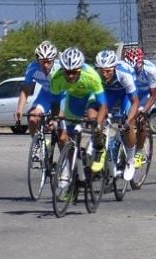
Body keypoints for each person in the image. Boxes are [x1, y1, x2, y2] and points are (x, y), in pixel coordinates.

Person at [49, 47, 108, 190]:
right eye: (67, 72)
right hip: (73, 100)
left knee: (94, 119)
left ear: (80, 69)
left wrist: (98, 124)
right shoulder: (57, 78)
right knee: (65, 138)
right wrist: (55, 120)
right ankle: (70, 170)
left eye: (74, 72)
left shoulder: (91, 76)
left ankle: (99, 147)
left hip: (90, 98)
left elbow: (103, 105)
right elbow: (55, 103)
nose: (70, 76)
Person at [93, 49, 140, 180]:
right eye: (101, 71)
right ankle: (100, 149)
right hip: (109, 93)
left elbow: (135, 102)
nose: (104, 74)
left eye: (108, 71)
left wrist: (128, 120)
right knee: (98, 121)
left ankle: (130, 159)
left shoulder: (123, 74)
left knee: (128, 125)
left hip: (125, 94)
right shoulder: (95, 75)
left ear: (114, 68)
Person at [123, 47, 156, 169]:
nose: (134, 71)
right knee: (126, 119)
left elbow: (153, 95)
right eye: (131, 69)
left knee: (140, 120)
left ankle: (139, 151)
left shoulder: (150, 70)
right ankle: (126, 144)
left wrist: (143, 111)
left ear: (141, 62)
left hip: (147, 95)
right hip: (132, 94)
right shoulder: (124, 69)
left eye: (136, 68)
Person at [14, 41, 61, 136]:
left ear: (53, 60)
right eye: (42, 62)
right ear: (37, 60)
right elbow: (25, 90)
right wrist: (19, 109)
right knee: (32, 118)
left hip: (62, 96)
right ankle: (37, 143)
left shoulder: (60, 67)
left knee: (61, 134)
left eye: (48, 62)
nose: (45, 65)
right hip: (46, 95)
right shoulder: (33, 68)